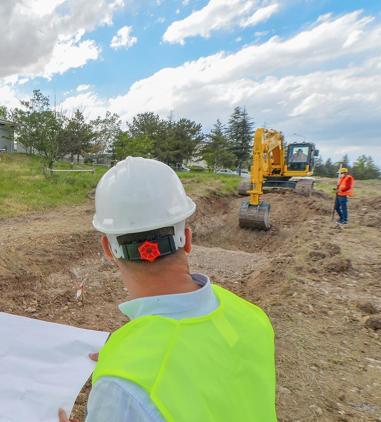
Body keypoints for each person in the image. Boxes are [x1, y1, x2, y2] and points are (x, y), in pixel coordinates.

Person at [59, 157, 276, 422]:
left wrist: (130, 367)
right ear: (187, 240)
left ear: (107, 249)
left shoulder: (122, 389)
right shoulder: (252, 317)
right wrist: (132, 356)